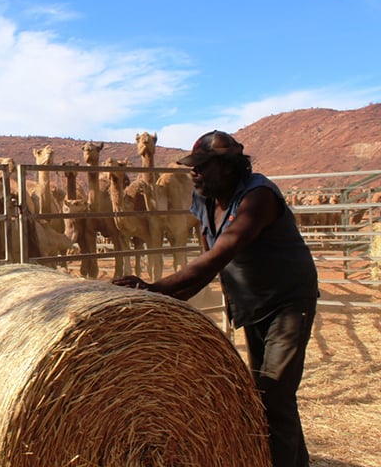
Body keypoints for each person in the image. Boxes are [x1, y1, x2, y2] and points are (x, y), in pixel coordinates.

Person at [112, 130, 318, 467]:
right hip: (252, 305)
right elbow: (208, 267)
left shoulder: (258, 198)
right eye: (193, 166)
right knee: (273, 396)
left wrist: (154, 288)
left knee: (271, 396)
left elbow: (219, 256)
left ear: (229, 167)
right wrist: (161, 303)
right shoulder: (205, 199)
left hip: (287, 304)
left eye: (202, 166)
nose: (194, 172)